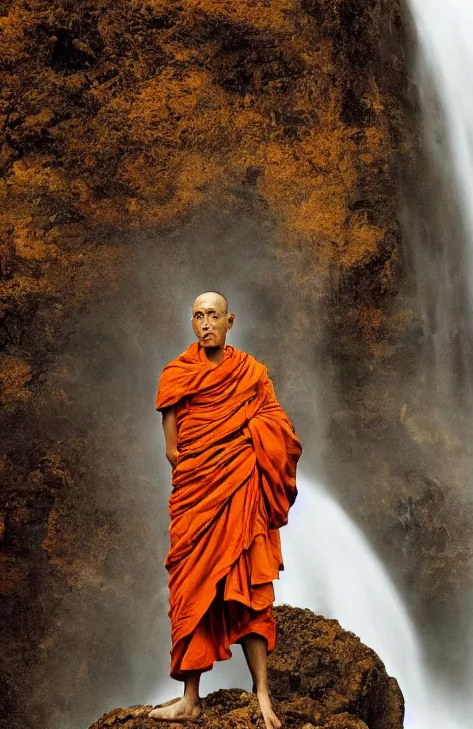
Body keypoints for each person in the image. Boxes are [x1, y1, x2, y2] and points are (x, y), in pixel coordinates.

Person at [148, 292, 301, 729]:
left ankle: (263, 696)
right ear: (191, 322)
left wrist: (243, 448)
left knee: (250, 589)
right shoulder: (177, 375)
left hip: (242, 494)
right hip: (199, 495)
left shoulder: (251, 373)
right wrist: (208, 467)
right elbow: (173, 451)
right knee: (191, 586)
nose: (206, 323)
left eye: (213, 315)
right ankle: (190, 699)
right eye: (198, 316)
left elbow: (279, 427)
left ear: (230, 320)